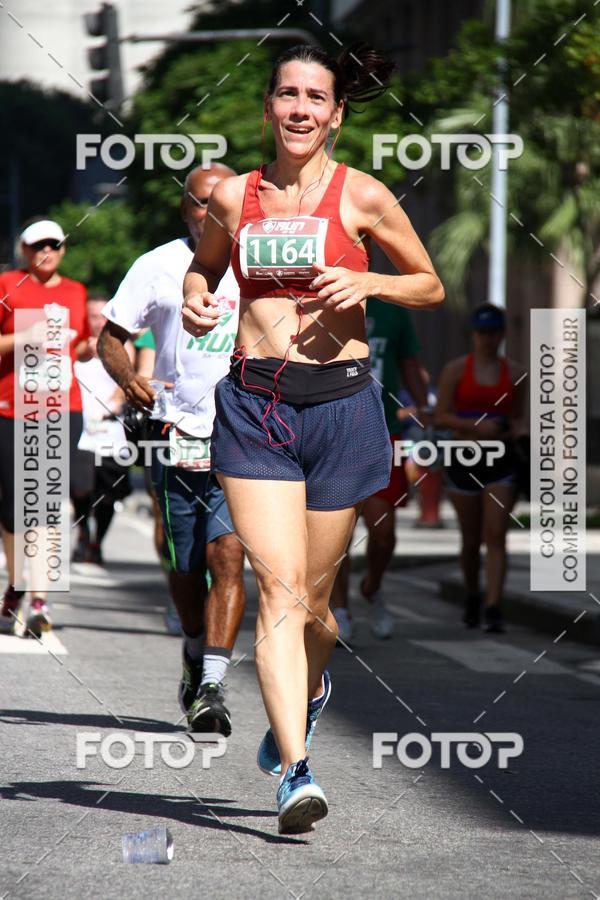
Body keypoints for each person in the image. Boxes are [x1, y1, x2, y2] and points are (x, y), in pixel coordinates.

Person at [182, 43, 444, 834]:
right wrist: (199, 297)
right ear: (269, 107)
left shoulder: (362, 194)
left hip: (341, 408)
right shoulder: (234, 196)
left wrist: (369, 279)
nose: (299, 108)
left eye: (315, 98)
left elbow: (429, 284)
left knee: (318, 610)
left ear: (334, 113)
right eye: (286, 94)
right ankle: (295, 772)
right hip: (256, 406)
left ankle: (313, 690)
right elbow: (205, 269)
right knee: (282, 595)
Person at [98, 164, 246, 737]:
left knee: (227, 557)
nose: (214, 212)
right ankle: (192, 649)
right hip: (174, 434)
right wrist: (129, 379)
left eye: (224, 201)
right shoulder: (156, 266)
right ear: (186, 208)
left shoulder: (257, 261)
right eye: (204, 203)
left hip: (243, 433)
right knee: (185, 565)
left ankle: (212, 683)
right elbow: (111, 338)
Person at [0, 218, 93, 637]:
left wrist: (93, 347)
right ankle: (18, 583)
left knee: (48, 502)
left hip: (61, 407)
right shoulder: (7, 285)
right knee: (14, 509)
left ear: (63, 250)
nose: (46, 252)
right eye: (38, 245)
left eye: (54, 245)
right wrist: (25, 337)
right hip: (10, 408)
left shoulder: (76, 291)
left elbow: (83, 344)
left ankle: (39, 598)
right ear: (24, 249)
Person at [330, 301, 428, 643]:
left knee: (383, 529)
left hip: (383, 428)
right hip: (335, 426)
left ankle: (372, 586)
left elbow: (409, 362)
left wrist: (424, 408)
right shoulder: (326, 299)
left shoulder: (393, 309)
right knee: (336, 531)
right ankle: (340, 610)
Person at [435, 303, 525, 633]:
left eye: (493, 333)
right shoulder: (456, 370)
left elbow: (519, 415)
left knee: (496, 534)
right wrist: (476, 427)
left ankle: (493, 606)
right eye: (481, 333)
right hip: (464, 457)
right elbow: (441, 415)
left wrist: (518, 429)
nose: (487, 339)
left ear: (502, 335)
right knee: (471, 540)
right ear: (473, 335)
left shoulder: (515, 373)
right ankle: (473, 594)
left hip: (501, 460)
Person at [72, 296, 133, 565]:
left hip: (111, 433)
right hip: (81, 432)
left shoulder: (122, 347)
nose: (98, 322)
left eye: (102, 316)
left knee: (108, 496)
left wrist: (114, 404)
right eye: (93, 317)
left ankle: (97, 542)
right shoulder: (77, 347)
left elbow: (129, 380)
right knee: (81, 488)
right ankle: (83, 532)